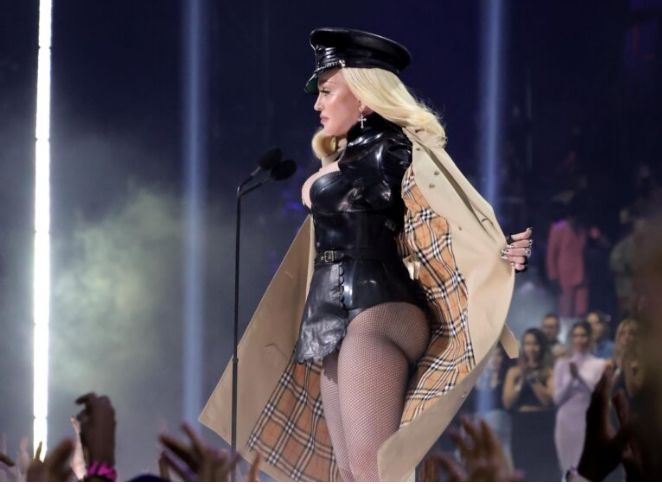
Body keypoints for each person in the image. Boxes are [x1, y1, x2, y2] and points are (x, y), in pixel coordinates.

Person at [200, 28, 531, 482]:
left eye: (327, 91)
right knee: (349, 473)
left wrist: (500, 249)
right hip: (333, 319)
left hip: (377, 312)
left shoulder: (392, 150)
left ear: (365, 98)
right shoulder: (348, 156)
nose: (317, 104)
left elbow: (450, 206)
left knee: (370, 471)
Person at [502, 328, 557, 480]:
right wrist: (522, 379)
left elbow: (548, 401)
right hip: (521, 424)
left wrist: (532, 379)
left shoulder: (549, 371)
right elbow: (508, 402)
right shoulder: (514, 372)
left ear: (541, 347)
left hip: (542, 424)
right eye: (527, 344)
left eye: (535, 344)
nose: (531, 348)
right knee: (522, 469)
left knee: (542, 471)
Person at [553, 321, 607, 472]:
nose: (579, 340)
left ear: (590, 337)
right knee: (567, 468)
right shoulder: (562, 364)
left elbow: (598, 396)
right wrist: (571, 379)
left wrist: (579, 377)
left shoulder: (599, 364)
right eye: (576, 336)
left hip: (587, 420)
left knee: (586, 466)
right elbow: (557, 399)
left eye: (583, 336)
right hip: (565, 421)